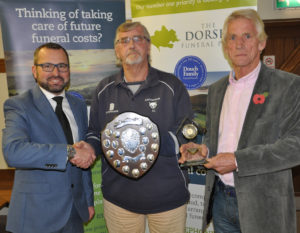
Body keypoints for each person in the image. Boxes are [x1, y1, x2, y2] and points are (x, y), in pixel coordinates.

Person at [180, 9, 300, 233]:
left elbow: (296, 146)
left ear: (262, 42)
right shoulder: (216, 90)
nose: (239, 44)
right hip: (221, 201)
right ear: (226, 47)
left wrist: (238, 161)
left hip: (264, 205)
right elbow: (219, 140)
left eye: (247, 36)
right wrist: (203, 151)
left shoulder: (289, 86)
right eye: (232, 38)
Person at [86, 21, 193, 233]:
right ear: (117, 50)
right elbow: (95, 133)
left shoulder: (172, 86)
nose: (131, 45)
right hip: (119, 200)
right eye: (124, 41)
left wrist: (148, 137)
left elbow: (186, 134)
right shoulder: (104, 89)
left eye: (137, 39)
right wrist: (88, 147)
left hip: (167, 198)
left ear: (148, 46)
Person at [2, 42, 96, 233]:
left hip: (74, 213)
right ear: (34, 71)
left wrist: (87, 199)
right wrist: (69, 152)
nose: (56, 72)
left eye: (62, 66)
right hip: (36, 215)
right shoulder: (18, 105)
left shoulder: (78, 105)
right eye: (47, 66)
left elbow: (83, 154)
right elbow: (14, 152)